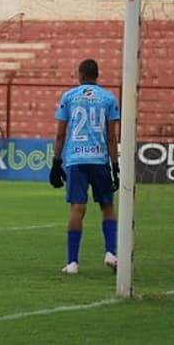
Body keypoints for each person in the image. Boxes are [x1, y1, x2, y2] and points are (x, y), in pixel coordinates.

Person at [49, 59, 120, 274]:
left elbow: (61, 133)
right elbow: (111, 136)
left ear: (80, 75)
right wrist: (115, 165)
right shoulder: (109, 98)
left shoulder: (69, 97)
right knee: (107, 206)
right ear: (97, 75)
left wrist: (56, 162)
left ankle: (72, 263)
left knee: (77, 209)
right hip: (99, 160)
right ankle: (110, 252)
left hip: (76, 160)